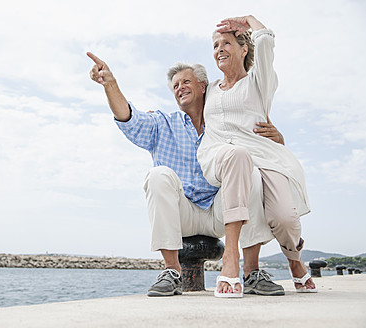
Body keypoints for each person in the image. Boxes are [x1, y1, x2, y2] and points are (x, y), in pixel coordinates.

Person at [87, 51, 285, 298]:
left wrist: (278, 139)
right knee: (158, 175)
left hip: (221, 212)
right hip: (183, 213)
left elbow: (259, 144)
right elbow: (129, 118)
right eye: (175, 86)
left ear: (203, 86)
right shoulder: (162, 124)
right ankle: (171, 271)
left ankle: (252, 271)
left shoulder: (225, 122)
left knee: (251, 173)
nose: (180, 88)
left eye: (186, 82)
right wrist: (111, 85)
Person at [196, 15, 316, 297]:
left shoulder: (258, 84)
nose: (219, 49)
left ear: (244, 49)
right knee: (241, 166)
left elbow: (266, 43)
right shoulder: (210, 89)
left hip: (264, 156)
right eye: (215, 45)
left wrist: (249, 21)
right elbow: (185, 97)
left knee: (285, 218)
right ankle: (234, 263)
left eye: (226, 43)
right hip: (222, 157)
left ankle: (294, 260)